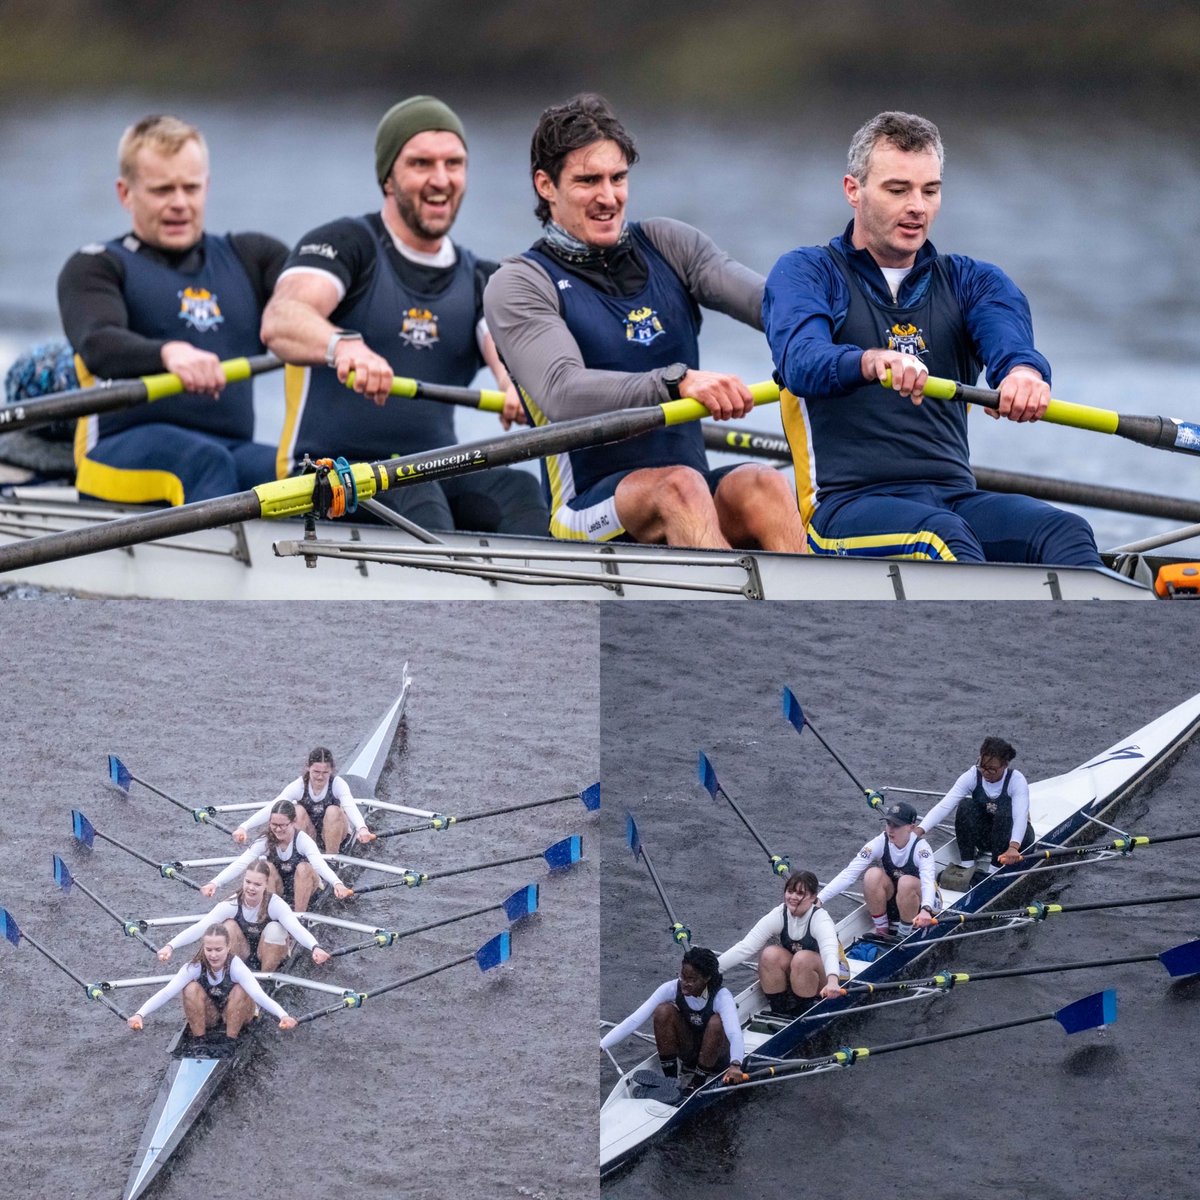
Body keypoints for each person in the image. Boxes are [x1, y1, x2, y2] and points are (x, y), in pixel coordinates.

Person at [763, 110, 1103, 568]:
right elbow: (801, 361)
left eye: (931, 190)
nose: (917, 206)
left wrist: (1023, 375)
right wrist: (869, 362)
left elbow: (1010, 344)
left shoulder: (974, 282)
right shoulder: (806, 272)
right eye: (898, 190)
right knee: (941, 538)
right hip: (845, 510)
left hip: (954, 499)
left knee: (1064, 531)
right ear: (853, 191)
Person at [484, 93, 807, 551]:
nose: (608, 197)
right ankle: (730, 619)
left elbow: (773, 306)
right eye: (587, 180)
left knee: (764, 484)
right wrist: (675, 384)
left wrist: (862, 338)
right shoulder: (519, 283)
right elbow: (562, 391)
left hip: (687, 495)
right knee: (680, 488)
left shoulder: (668, 244)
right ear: (546, 185)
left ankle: (819, 620)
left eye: (618, 178)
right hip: (584, 511)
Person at [259, 95, 548, 535]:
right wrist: (342, 346)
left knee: (520, 492)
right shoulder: (345, 244)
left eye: (454, 163)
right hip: (324, 477)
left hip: (428, 471)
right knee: (417, 494)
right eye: (421, 164)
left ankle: (540, 602)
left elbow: (509, 353)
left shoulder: (481, 279)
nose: (441, 179)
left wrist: (518, 385)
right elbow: (281, 319)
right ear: (388, 177)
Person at [57, 114, 286, 505]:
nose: (179, 203)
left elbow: (328, 303)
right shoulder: (96, 265)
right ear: (125, 193)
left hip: (231, 448)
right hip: (114, 454)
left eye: (190, 188)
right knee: (204, 463)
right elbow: (98, 342)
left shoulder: (252, 257)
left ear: (207, 187)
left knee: (309, 470)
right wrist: (168, 353)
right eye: (162, 190)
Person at [600, 946, 745, 1093]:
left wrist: (736, 1064)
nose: (684, 983)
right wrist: (601, 1045)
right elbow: (634, 1020)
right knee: (663, 1011)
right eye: (682, 976)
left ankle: (697, 1083)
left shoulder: (722, 996)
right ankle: (671, 1082)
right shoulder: (670, 988)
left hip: (718, 1058)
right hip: (690, 1054)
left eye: (691, 979)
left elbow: (734, 1033)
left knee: (716, 1022)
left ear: (707, 978)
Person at [128, 924, 296, 1045]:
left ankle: (230, 1041)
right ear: (204, 947)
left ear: (228, 947)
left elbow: (259, 995)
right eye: (209, 950)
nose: (213, 955)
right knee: (190, 988)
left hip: (241, 1014)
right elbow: (166, 992)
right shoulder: (193, 967)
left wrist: (283, 1015)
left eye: (218, 950)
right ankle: (199, 1042)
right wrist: (140, 1014)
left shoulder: (237, 967)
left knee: (240, 989)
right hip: (214, 1014)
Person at [158, 859, 330, 972]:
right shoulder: (232, 903)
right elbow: (202, 927)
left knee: (275, 928)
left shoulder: (276, 904)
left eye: (257, 884)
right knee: (227, 927)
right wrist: (170, 946)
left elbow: (296, 928)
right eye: (248, 882)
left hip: (268, 951)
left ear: (266, 885)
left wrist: (314, 947)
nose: (251, 888)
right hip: (245, 951)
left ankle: (264, 981)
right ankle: (232, 975)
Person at [717, 870, 848, 1016]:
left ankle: (802, 1013)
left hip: (834, 977)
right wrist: (712, 970)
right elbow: (745, 947)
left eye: (799, 893)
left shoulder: (820, 919)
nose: (792, 897)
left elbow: (829, 951)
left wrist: (832, 981)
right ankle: (779, 1009)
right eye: (790, 891)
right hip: (801, 973)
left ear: (813, 897)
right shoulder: (779, 914)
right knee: (769, 954)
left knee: (802, 959)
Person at [916, 737, 1036, 891]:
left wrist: (1013, 846)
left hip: (1017, 841)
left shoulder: (1016, 780)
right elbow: (946, 805)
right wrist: (920, 830)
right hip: (989, 838)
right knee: (966, 805)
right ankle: (967, 866)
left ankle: (994, 871)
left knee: (1004, 813)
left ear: (1005, 766)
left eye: (992, 769)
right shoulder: (972, 775)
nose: (986, 773)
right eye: (982, 767)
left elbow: (1020, 816)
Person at [202, 800, 351, 913]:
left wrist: (337, 883)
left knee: (303, 868)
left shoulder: (303, 840)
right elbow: (241, 863)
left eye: (282, 825)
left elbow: (319, 865)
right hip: (281, 887)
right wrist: (215, 883)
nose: (277, 829)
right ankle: (269, 914)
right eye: (274, 824)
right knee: (265, 867)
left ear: (293, 822)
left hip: (308, 887)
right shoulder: (265, 840)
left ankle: (298, 919)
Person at [818, 801, 940, 938]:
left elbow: (928, 881)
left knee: (906, 882)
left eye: (897, 825)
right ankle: (882, 930)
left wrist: (926, 909)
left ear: (911, 827)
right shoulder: (879, 842)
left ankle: (904, 934)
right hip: (897, 898)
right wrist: (819, 899)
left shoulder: (922, 849)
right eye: (888, 823)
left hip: (925, 904)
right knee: (871, 875)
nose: (890, 830)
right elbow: (849, 874)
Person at [232, 747, 374, 855]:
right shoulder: (299, 786)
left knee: (332, 811)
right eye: (316, 772)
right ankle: (306, 857)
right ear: (308, 768)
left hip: (336, 836)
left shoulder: (338, 784)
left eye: (325, 773)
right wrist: (244, 827)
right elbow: (274, 808)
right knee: (296, 811)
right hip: (311, 835)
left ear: (331, 770)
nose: (320, 777)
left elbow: (350, 805)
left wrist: (362, 828)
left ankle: (331, 861)